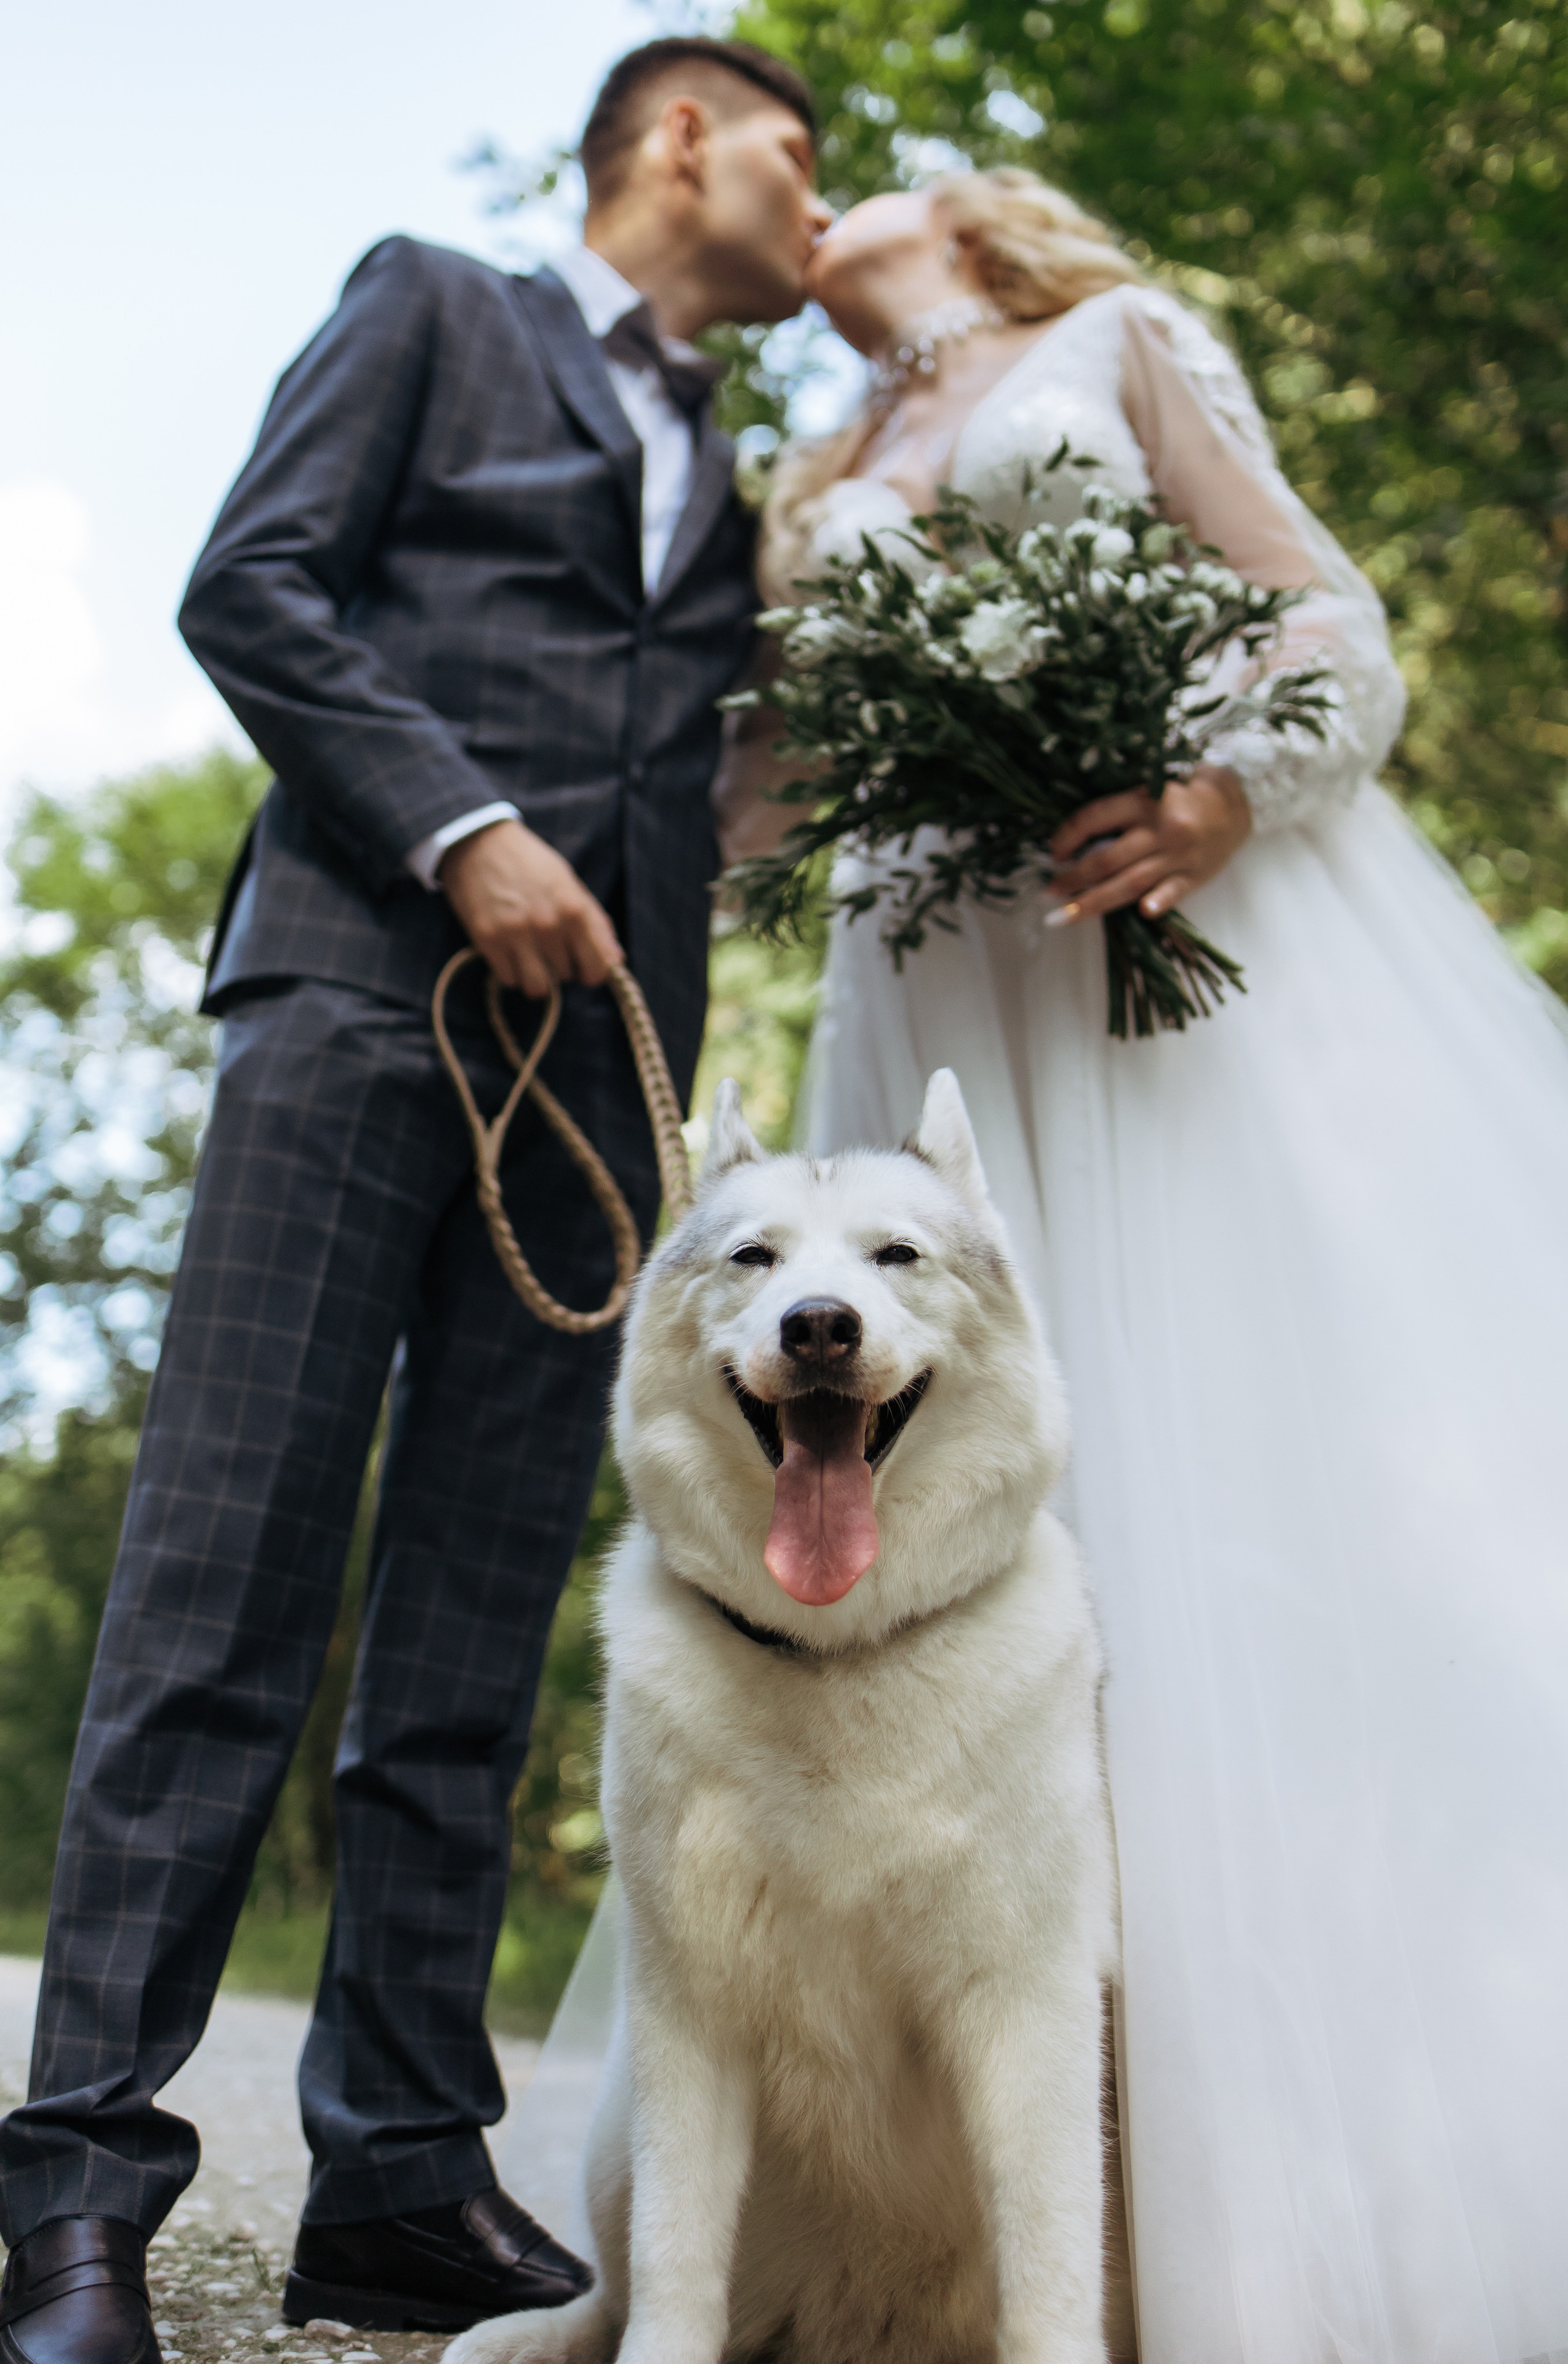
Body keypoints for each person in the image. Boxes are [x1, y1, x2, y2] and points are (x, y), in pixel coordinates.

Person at [0, 38, 829, 2364]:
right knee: (225, 1570)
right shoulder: (436, 304)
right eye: (799, 148)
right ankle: (74, 2191)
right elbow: (250, 586)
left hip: (602, 1098)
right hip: (368, 1002)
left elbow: (729, 775)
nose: (817, 194)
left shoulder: (740, 471)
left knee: (468, 1635)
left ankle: (394, 2173)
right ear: (681, 135)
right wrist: (464, 830)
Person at [717, 168, 1568, 2361]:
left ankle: (1274, 2188)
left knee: (1225, 1473)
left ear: (981, 217)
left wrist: (1208, 797)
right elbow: (767, 777)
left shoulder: (1118, 348)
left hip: (1152, 932)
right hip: (935, 979)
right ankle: (933, 2204)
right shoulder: (809, 475)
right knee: (966, 1484)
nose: (830, 191)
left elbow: (1326, 612)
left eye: (870, 167)